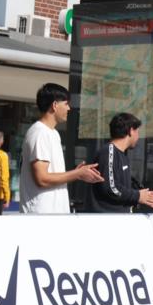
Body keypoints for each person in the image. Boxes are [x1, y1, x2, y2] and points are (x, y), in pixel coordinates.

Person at [19, 83, 103, 213]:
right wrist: (77, 174)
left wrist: (77, 174)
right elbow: (42, 179)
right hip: (40, 215)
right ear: (54, 105)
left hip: (54, 214)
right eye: (66, 104)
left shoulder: (52, 133)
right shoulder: (40, 133)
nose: (69, 108)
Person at [84, 112, 153, 213]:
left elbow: (119, 189)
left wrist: (141, 196)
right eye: (137, 132)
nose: (138, 137)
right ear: (131, 131)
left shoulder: (122, 155)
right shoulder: (109, 152)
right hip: (106, 218)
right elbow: (111, 188)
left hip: (120, 217)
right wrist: (137, 196)